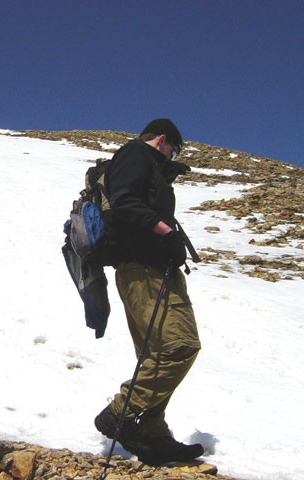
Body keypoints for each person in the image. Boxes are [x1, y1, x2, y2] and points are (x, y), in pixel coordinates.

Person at [94, 119, 203, 464]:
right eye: (173, 150)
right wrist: (165, 233)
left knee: (157, 354)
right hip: (145, 271)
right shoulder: (136, 154)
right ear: (162, 139)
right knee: (179, 347)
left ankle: (153, 433)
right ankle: (119, 413)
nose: (173, 156)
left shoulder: (146, 163)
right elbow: (126, 203)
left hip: (147, 271)